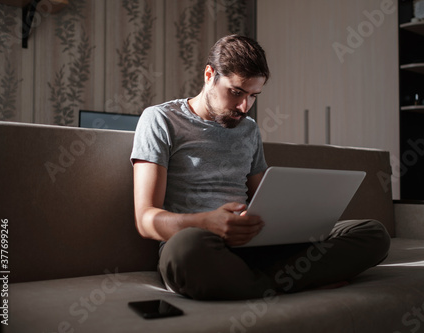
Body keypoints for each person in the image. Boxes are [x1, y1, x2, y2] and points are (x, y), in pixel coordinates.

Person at [130, 34, 390, 301]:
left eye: (254, 96)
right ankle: (293, 281)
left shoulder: (249, 130)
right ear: (209, 75)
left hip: (254, 245)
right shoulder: (160, 120)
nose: (245, 107)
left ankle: (257, 285)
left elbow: (264, 198)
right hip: (201, 245)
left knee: (372, 233)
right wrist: (207, 223)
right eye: (236, 92)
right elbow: (145, 219)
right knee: (185, 251)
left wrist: (295, 221)